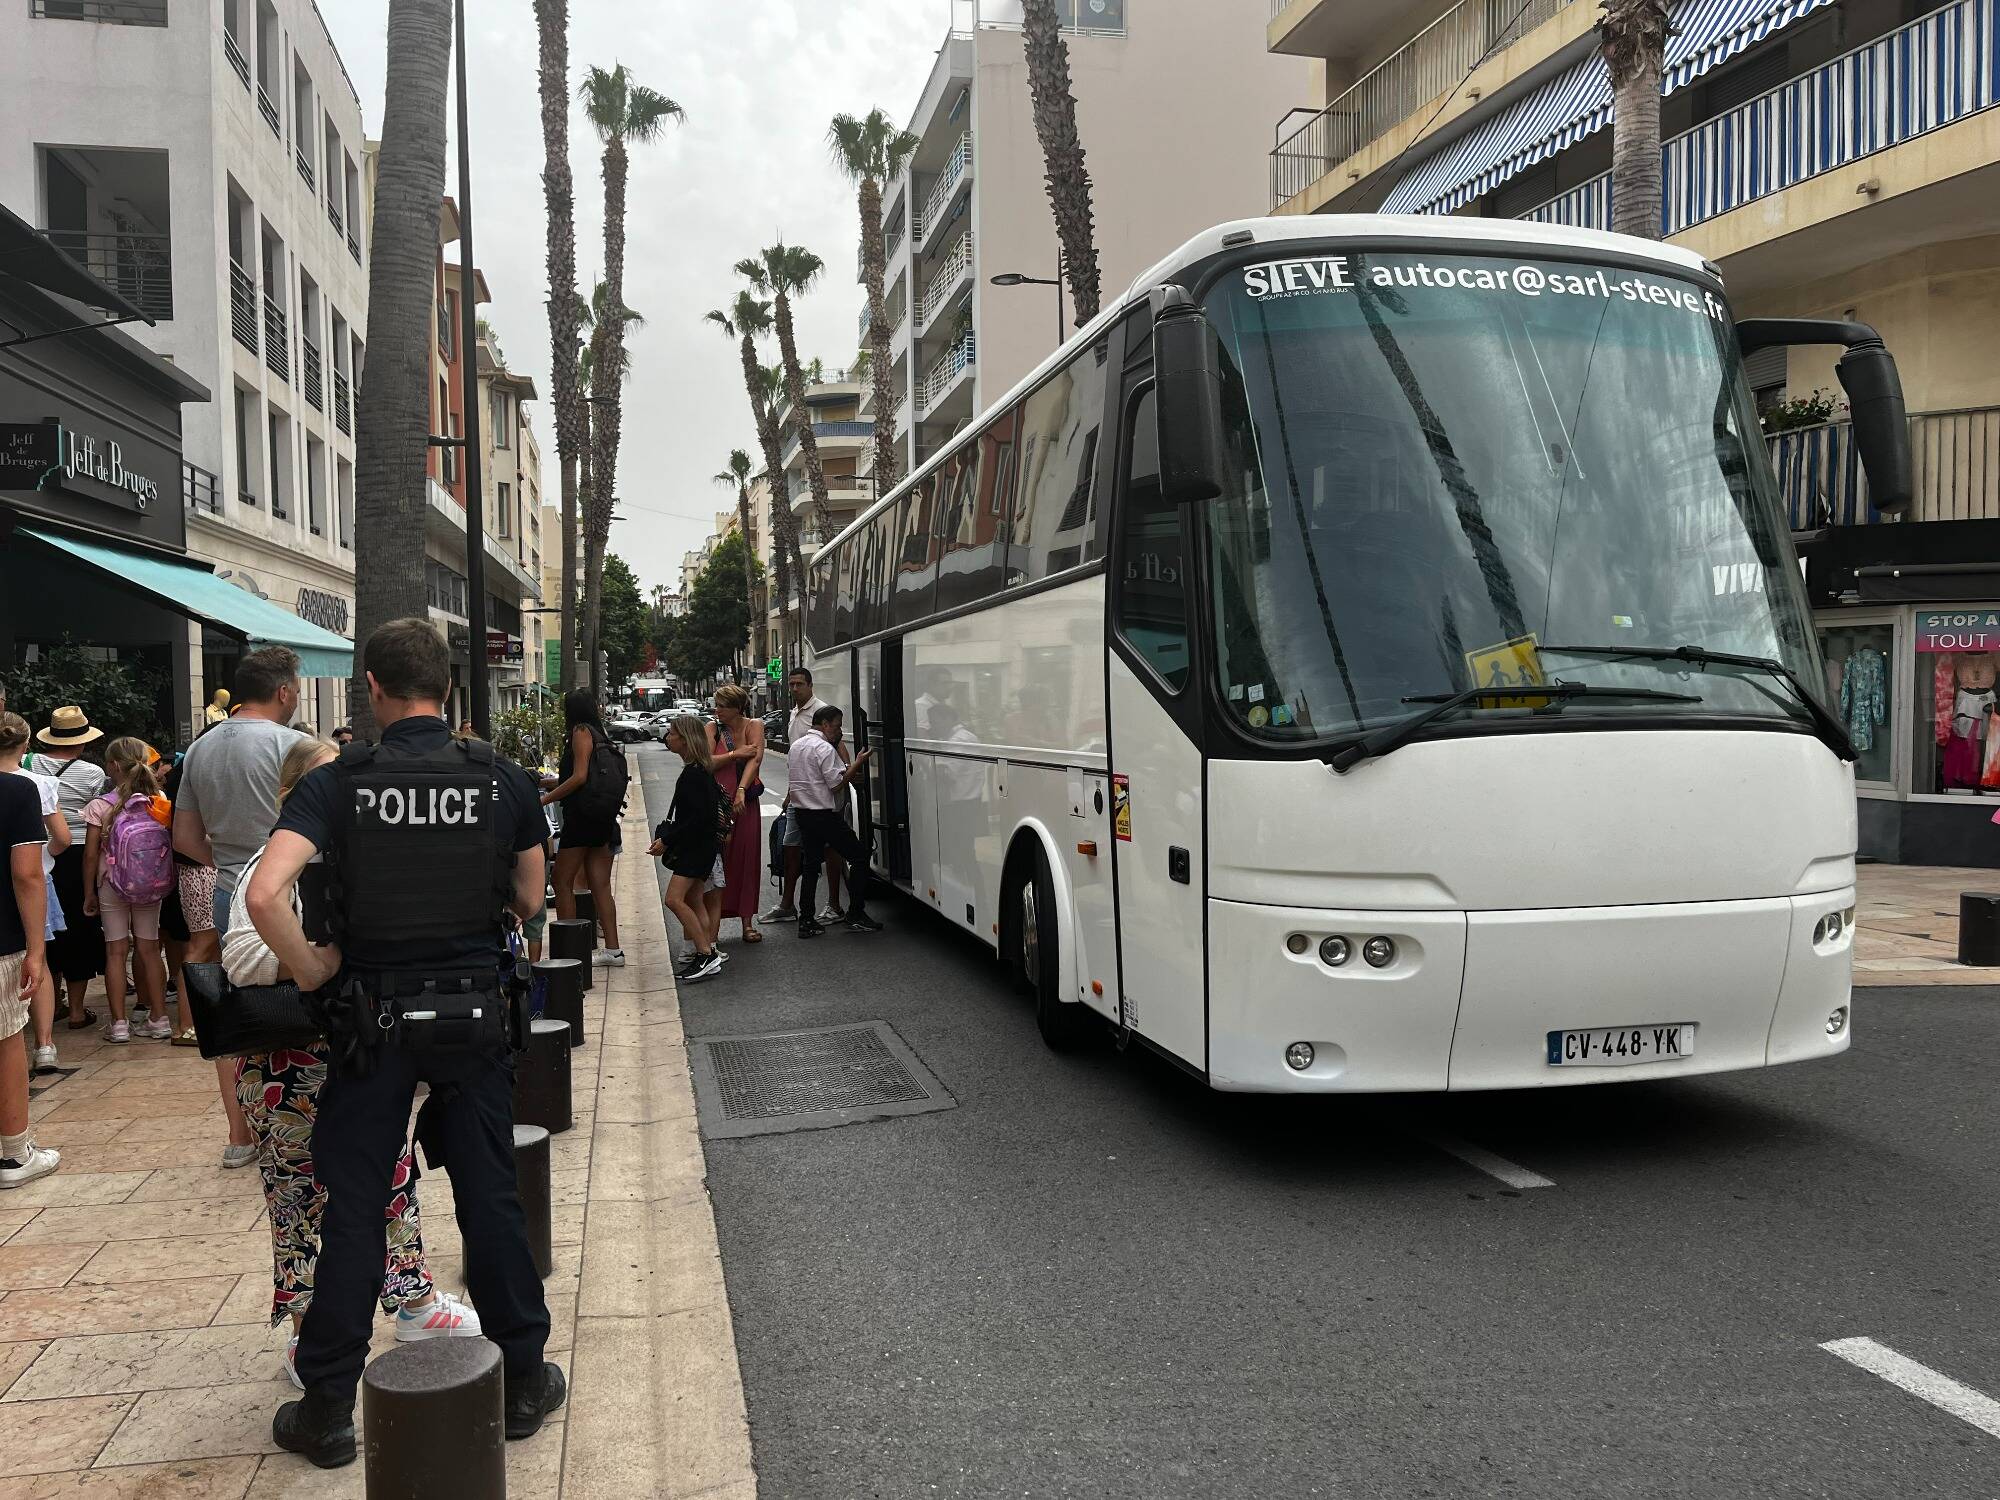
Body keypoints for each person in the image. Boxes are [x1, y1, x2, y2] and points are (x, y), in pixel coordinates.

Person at [248, 617, 561, 1467]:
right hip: (473, 1023)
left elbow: (266, 893)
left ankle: (327, 1407)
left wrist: (314, 971)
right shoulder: (499, 779)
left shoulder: (340, 782)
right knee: (491, 1194)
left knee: (356, 1208)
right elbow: (531, 896)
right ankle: (525, 1380)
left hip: (369, 1025)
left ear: (376, 691)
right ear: (451, 686)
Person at [224, 735, 480, 1389]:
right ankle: (310, 1336)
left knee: (392, 1181)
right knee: (300, 1199)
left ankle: (415, 1301)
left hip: (359, 1057)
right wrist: (318, 963)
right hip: (290, 1068)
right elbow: (241, 956)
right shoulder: (271, 861)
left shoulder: (369, 859)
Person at [174, 647, 305, 1168]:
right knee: (300, 1003)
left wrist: (232, 863)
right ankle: (297, 1120)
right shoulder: (294, 745)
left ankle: (239, 1134)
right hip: (288, 892)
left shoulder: (200, 749)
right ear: (284, 691)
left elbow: (184, 836)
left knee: (239, 1010)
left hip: (228, 890)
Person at [81, 737, 175, 1043]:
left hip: (112, 885)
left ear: (112, 766)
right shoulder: (157, 798)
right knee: (149, 948)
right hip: (150, 884)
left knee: (116, 951)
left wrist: (89, 893)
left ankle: (119, 1024)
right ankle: (159, 1018)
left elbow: (91, 854)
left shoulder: (100, 806)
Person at [25, 707, 106, 1034]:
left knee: (44, 927)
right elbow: (98, 820)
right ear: (82, 741)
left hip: (36, 851)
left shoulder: (29, 763)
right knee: (79, 927)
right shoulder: (92, 773)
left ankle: (51, 1001)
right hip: (78, 854)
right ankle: (75, 1010)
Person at [0, 748, 57, 1189]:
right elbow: (27, 875)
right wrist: (36, 949)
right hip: (0, 937)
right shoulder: (16, 789)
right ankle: (16, 1153)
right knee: (5, 1040)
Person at [0, 716, 68, 1072]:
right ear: (25, 747)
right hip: (35, 881)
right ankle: (44, 1044)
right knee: (36, 963)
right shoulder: (38, 783)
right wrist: (46, 855)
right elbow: (62, 839)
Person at [538, 689, 623, 967]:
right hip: (602, 819)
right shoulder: (601, 734)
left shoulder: (580, 732)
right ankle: (613, 950)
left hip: (582, 819)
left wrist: (545, 799)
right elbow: (578, 777)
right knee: (600, 886)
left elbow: (579, 777)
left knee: (561, 881)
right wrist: (547, 784)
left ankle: (569, 952)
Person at [786, 707, 884, 939]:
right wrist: (856, 764)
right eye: (838, 725)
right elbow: (836, 784)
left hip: (803, 812)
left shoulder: (797, 746)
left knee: (810, 865)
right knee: (859, 856)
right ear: (825, 724)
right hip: (824, 814)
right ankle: (856, 913)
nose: (839, 731)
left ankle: (807, 920)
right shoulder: (823, 748)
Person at [763, 667, 847, 923]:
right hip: (799, 795)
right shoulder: (794, 713)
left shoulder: (821, 711)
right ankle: (788, 905)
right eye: (792, 684)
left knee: (830, 848)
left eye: (800, 684)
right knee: (790, 847)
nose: (795, 688)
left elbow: (839, 747)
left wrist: (846, 778)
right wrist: (790, 792)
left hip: (823, 797)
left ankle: (834, 905)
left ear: (811, 685)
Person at [650, 715, 722, 982]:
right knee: (693, 900)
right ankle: (707, 952)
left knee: (673, 899)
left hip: (695, 848)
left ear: (685, 739)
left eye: (671, 733)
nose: (668, 738)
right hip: (701, 846)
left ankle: (705, 953)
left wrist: (667, 840)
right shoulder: (698, 770)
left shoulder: (694, 774)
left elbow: (696, 818)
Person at [706, 685, 766, 947]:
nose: (716, 710)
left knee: (747, 858)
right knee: (719, 862)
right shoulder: (711, 729)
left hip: (745, 802)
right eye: (716, 705)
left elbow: (756, 758)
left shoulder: (754, 725)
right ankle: (713, 927)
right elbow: (706, 762)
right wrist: (735, 753)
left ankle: (747, 922)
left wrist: (741, 790)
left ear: (737, 707)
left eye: (722, 705)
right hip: (718, 803)